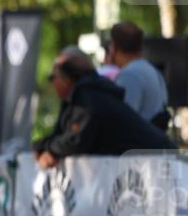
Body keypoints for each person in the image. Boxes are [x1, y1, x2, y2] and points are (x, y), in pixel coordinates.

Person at [33, 47, 175, 168]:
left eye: (53, 77)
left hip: (158, 163)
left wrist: (46, 148)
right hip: (150, 161)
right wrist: (47, 148)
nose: (52, 83)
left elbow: (75, 141)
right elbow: (62, 136)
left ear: (67, 80)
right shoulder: (76, 98)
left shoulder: (88, 98)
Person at [109, 22, 168, 128]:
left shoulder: (129, 75)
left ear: (113, 47)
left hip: (139, 143)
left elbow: (122, 122)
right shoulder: (152, 70)